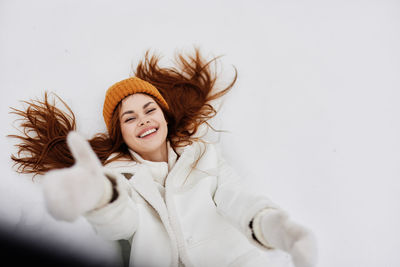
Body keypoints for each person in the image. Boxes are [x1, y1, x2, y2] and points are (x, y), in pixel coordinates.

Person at [9, 49, 317, 267]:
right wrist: (101, 197)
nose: (143, 120)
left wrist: (273, 225)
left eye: (149, 110)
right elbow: (121, 223)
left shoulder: (204, 156)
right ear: (120, 134)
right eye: (129, 118)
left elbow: (237, 199)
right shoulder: (119, 176)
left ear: (165, 117)